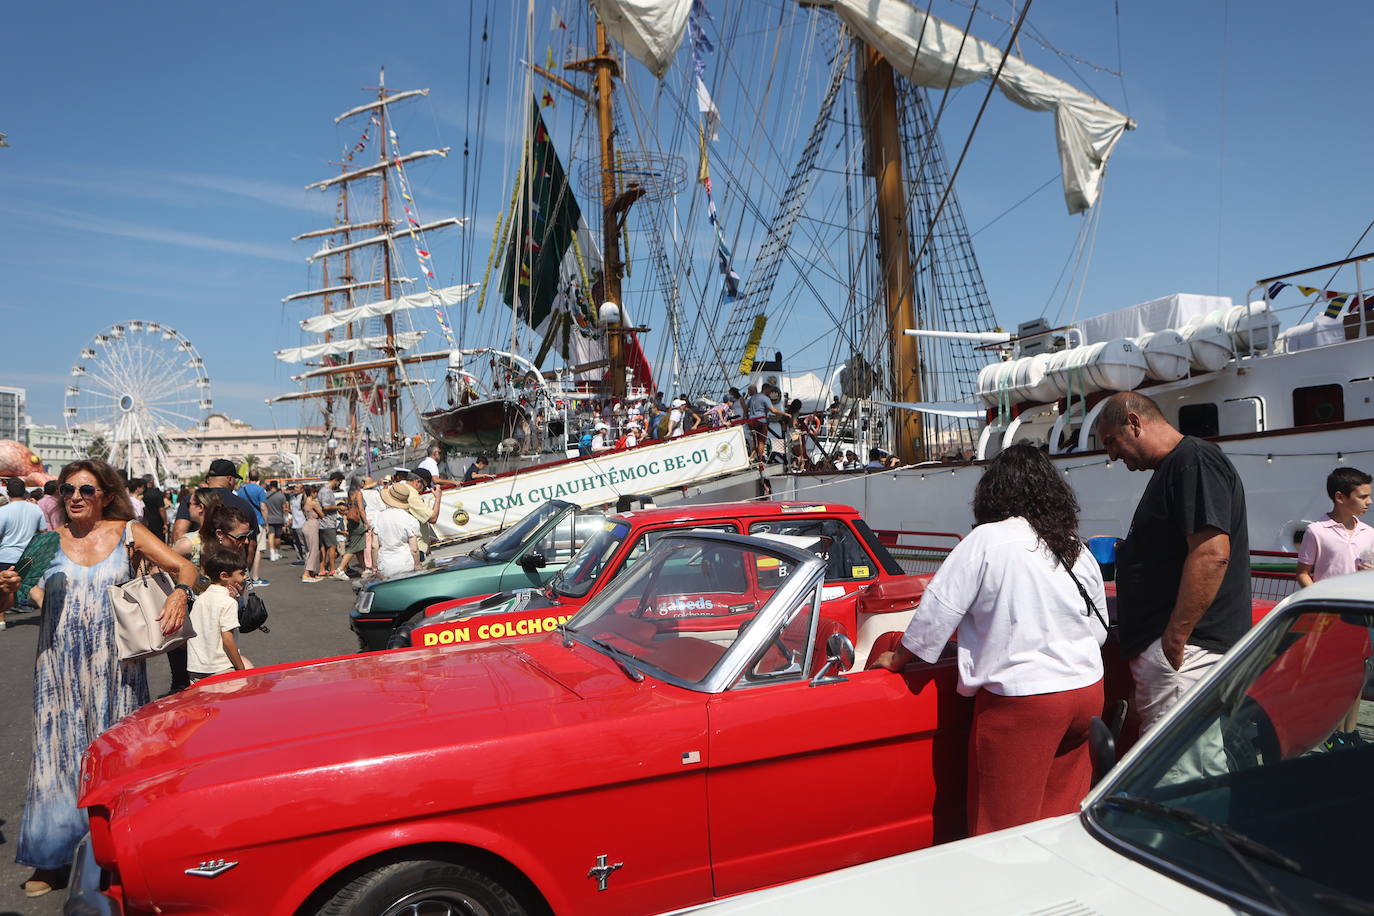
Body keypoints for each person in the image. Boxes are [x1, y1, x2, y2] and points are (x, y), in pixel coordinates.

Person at [877, 445, 1107, 835]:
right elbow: (1097, 628)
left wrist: (896, 659)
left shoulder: (987, 540)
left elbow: (937, 612)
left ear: (994, 493)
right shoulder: (1071, 544)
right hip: (1087, 689)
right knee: (1060, 819)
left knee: (1002, 827)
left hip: (1025, 702)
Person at [19, 460, 195, 895]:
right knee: (56, 755)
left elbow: (186, 569)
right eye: (67, 489)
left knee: (116, 756)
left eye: (86, 489)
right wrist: (10, 589)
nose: (75, 497)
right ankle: (51, 856)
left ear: (106, 495)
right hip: (58, 665)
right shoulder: (46, 543)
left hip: (116, 665)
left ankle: (120, 850)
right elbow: (18, 592)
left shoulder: (129, 533)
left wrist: (179, 592)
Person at [1098, 391, 1250, 745]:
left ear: (1134, 423)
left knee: (1180, 767)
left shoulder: (1192, 461)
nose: (1111, 454)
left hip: (1188, 653)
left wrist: (1176, 638)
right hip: (1181, 652)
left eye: (1112, 441)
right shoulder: (1178, 466)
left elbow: (1212, 553)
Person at [1296, 466, 1373, 748]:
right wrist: (1321, 599)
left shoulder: (1368, 532)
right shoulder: (1317, 531)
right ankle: (1331, 734)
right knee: (1334, 679)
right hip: (1329, 617)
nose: (1369, 502)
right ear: (1341, 497)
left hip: (1360, 615)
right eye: (1363, 496)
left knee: (1357, 677)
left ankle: (1349, 732)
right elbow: (1303, 572)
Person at [186, 545, 253, 683]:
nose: (245, 577)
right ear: (224, 576)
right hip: (221, 668)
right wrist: (240, 669)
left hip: (197, 667)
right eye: (241, 573)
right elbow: (228, 639)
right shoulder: (228, 602)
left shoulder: (201, 598)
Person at [171, 459, 259, 542]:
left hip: (196, 555)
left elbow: (178, 531)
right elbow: (251, 542)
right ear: (230, 479)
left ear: (208, 479)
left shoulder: (192, 499)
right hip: (231, 557)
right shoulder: (243, 504)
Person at [0, 478, 49, 573]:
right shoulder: (36, 509)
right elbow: (44, 534)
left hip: (5, 559)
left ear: (7, 492)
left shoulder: (3, 511)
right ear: (24, 491)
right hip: (28, 560)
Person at [375, 481, 422, 579]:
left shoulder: (378, 517)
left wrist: (374, 567)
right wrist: (417, 565)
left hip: (385, 564)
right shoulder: (410, 519)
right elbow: (414, 549)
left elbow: (374, 546)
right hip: (405, 562)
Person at [334, 475, 369, 580]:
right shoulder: (358, 493)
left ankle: (365, 569)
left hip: (351, 522)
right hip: (358, 522)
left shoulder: (350, 493)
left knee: (358, 547)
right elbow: (361, 509)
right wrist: (366, 522)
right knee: (353, 547)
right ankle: (340, 569)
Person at [237, 470, 269, 587]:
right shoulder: (260, 490)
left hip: (244, 523)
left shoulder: (241, 490)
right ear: (258, 478)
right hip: (258, 522)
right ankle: (254, 577)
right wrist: (266, 522)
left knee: (245, 550)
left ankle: (243, 575)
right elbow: (263, 507)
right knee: (257, 549)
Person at [317, 472, 344, 576]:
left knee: (323, 547)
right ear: (336, 480)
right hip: (328, 522)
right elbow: (326, 507)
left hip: (323, 523)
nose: (339, 484)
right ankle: (332, 569)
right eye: (339, 482)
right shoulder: (327, 491)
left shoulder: (323, 490)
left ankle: (322, 568)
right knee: (332, 547)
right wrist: (339, 507)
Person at [299, 484, 324, 583]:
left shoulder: (304, 501)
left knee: (309, 550)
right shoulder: (313, 502)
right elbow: (321, 514)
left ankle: (311, 572)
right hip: (313, 525)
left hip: (306, 524)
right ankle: (306, 573)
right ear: (313, 493)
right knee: (314, 550)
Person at [263, 480, 287, 562]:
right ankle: (276, 552)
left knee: (270, 535)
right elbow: (284, 508)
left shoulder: (266, 495)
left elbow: (263, 506)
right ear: (277, 486)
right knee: (278, 536)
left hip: (269, 518)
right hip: (279, 518)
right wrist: (286, 518)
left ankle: (272, 554)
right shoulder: (281, 496)